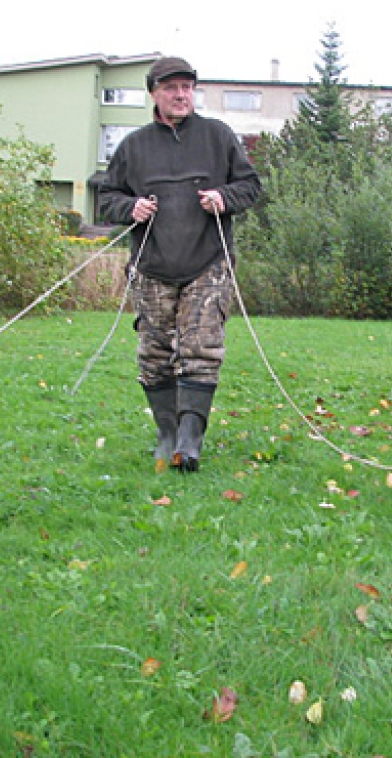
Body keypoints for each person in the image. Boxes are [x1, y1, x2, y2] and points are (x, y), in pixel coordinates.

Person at [99, 56, 262, 472]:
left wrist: (223, 199)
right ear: (154, 93)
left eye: (187, 87)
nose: (180, 94)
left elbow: (251, 185)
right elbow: (106, 198)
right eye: (171, 87)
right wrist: (129, 207)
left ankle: (190, 442)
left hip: (208, 263)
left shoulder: (218, 136)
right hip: (152, 267)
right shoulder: (134, 146)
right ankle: (167, 433)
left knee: (201, 348)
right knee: (154, 353)